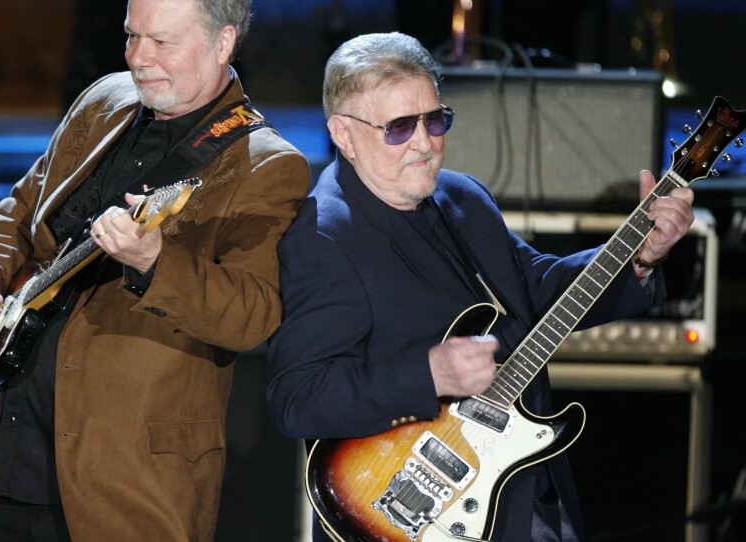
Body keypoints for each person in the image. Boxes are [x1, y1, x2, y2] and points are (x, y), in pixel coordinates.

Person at [266, 32, 694, 541]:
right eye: (399, 128)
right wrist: (429, 374)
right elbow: (297, 397)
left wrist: (640, 257)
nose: (425, 143)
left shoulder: (462, 197)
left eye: (435, 119)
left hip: (520, 490)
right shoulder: (323, 237)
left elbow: (535, 289)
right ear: (343, 133)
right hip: (405, 512)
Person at [0, 0, 311, 540]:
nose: (139, 57)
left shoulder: (267, 165)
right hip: (7, 458)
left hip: (126, 490)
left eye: (162, 42)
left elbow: (252, 313)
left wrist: (155, 262)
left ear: (223, 43)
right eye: (131, 35)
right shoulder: (103, 99)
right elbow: (18, 210)